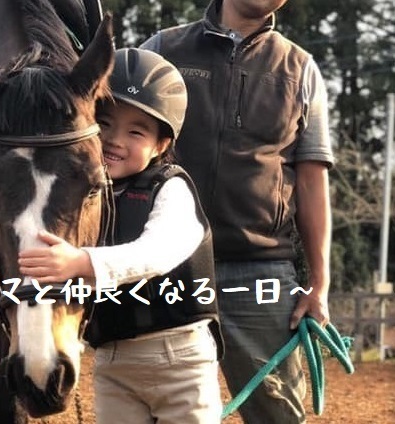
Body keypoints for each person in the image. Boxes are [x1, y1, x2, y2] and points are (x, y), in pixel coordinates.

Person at [141, 1, 334, 423]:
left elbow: (311, 180)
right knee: (159, 410)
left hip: (260, 272)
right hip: (164, 267)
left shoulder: (300, 68)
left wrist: (319, 283)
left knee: (277, 415)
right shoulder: (161, 51)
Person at [18, 48, 223, 424]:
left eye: (135, 131)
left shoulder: (171, 188)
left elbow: (159, 250)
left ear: (161, 145)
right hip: (112, 360)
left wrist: (82, 262)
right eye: (105, 123)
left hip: (179, 358)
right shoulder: (82, 197)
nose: (114, 140)